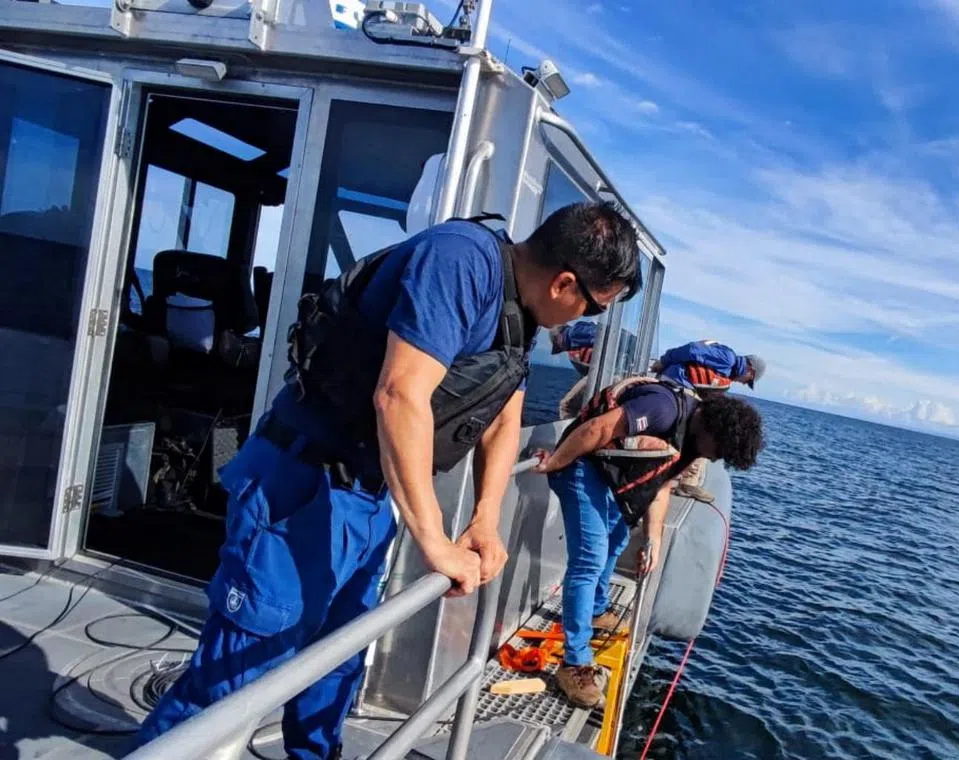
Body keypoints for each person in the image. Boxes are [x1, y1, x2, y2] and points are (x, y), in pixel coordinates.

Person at [131, 202, 642, 760]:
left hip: (368, 503)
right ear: (565, 282)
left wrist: (484, 519)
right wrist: (433, 543)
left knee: (335, 664)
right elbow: (399, 395)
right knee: (237, 673)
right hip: (302, 488)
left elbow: (504, 412)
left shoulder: (520, 314)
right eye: (593, 305)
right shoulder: (459, 262)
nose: (582, 320)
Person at [531, 376, 764, 708]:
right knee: (589, 559)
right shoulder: (663, 408)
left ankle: (596, 610)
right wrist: (554, 462)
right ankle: (574, 662)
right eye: (719, 452)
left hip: (609, 471)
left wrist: (653, 540)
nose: (714, 460)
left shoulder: (692, 440)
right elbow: (597, 430)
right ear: (712, 431)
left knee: (617, 538)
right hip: (580, 462)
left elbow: (660, 486)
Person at [651, 340, 765, 503]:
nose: (743, 383)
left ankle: (684, 480)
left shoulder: (727, 373)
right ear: (750, 369)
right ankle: (685, 483)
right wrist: (664, 361)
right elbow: (692, 350)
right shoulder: (728, 359)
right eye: (748, 380)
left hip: (684, 393)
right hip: (677, 389)